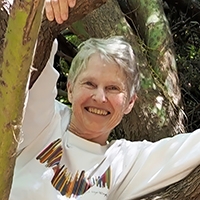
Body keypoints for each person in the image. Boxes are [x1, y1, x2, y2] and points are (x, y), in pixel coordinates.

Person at [9, 1, 200, 200]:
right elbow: (31, 49)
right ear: (70, 89)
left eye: (113, 88)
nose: (100, 97)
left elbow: (190, 148)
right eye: (90, 84)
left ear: (130, 103)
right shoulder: (43, 121)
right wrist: (49, 8)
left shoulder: (123, 163)